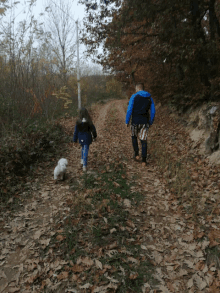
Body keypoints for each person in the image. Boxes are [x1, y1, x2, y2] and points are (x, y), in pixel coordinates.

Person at [125, 83, 155, 166]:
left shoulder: (134, 96)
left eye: (136, 89)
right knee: (143, 140)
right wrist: (151, 121)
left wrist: (127, 121)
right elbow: (153, 111)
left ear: (137, 88)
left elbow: (129, 110)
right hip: (145, 122)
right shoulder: (149, 97)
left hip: (135, 121)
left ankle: (137, 155)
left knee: (134, 137)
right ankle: (144, 160)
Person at [73, 107, 97, 172]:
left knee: (83, 148)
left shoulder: (78, 122)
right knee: (85, 150)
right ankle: (84, 165)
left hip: (81, 138)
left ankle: (82, 160)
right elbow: (93, 130)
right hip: (87, 137)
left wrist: (75, 139)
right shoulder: (89, 121)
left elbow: (76, 131)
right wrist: (95, 136)